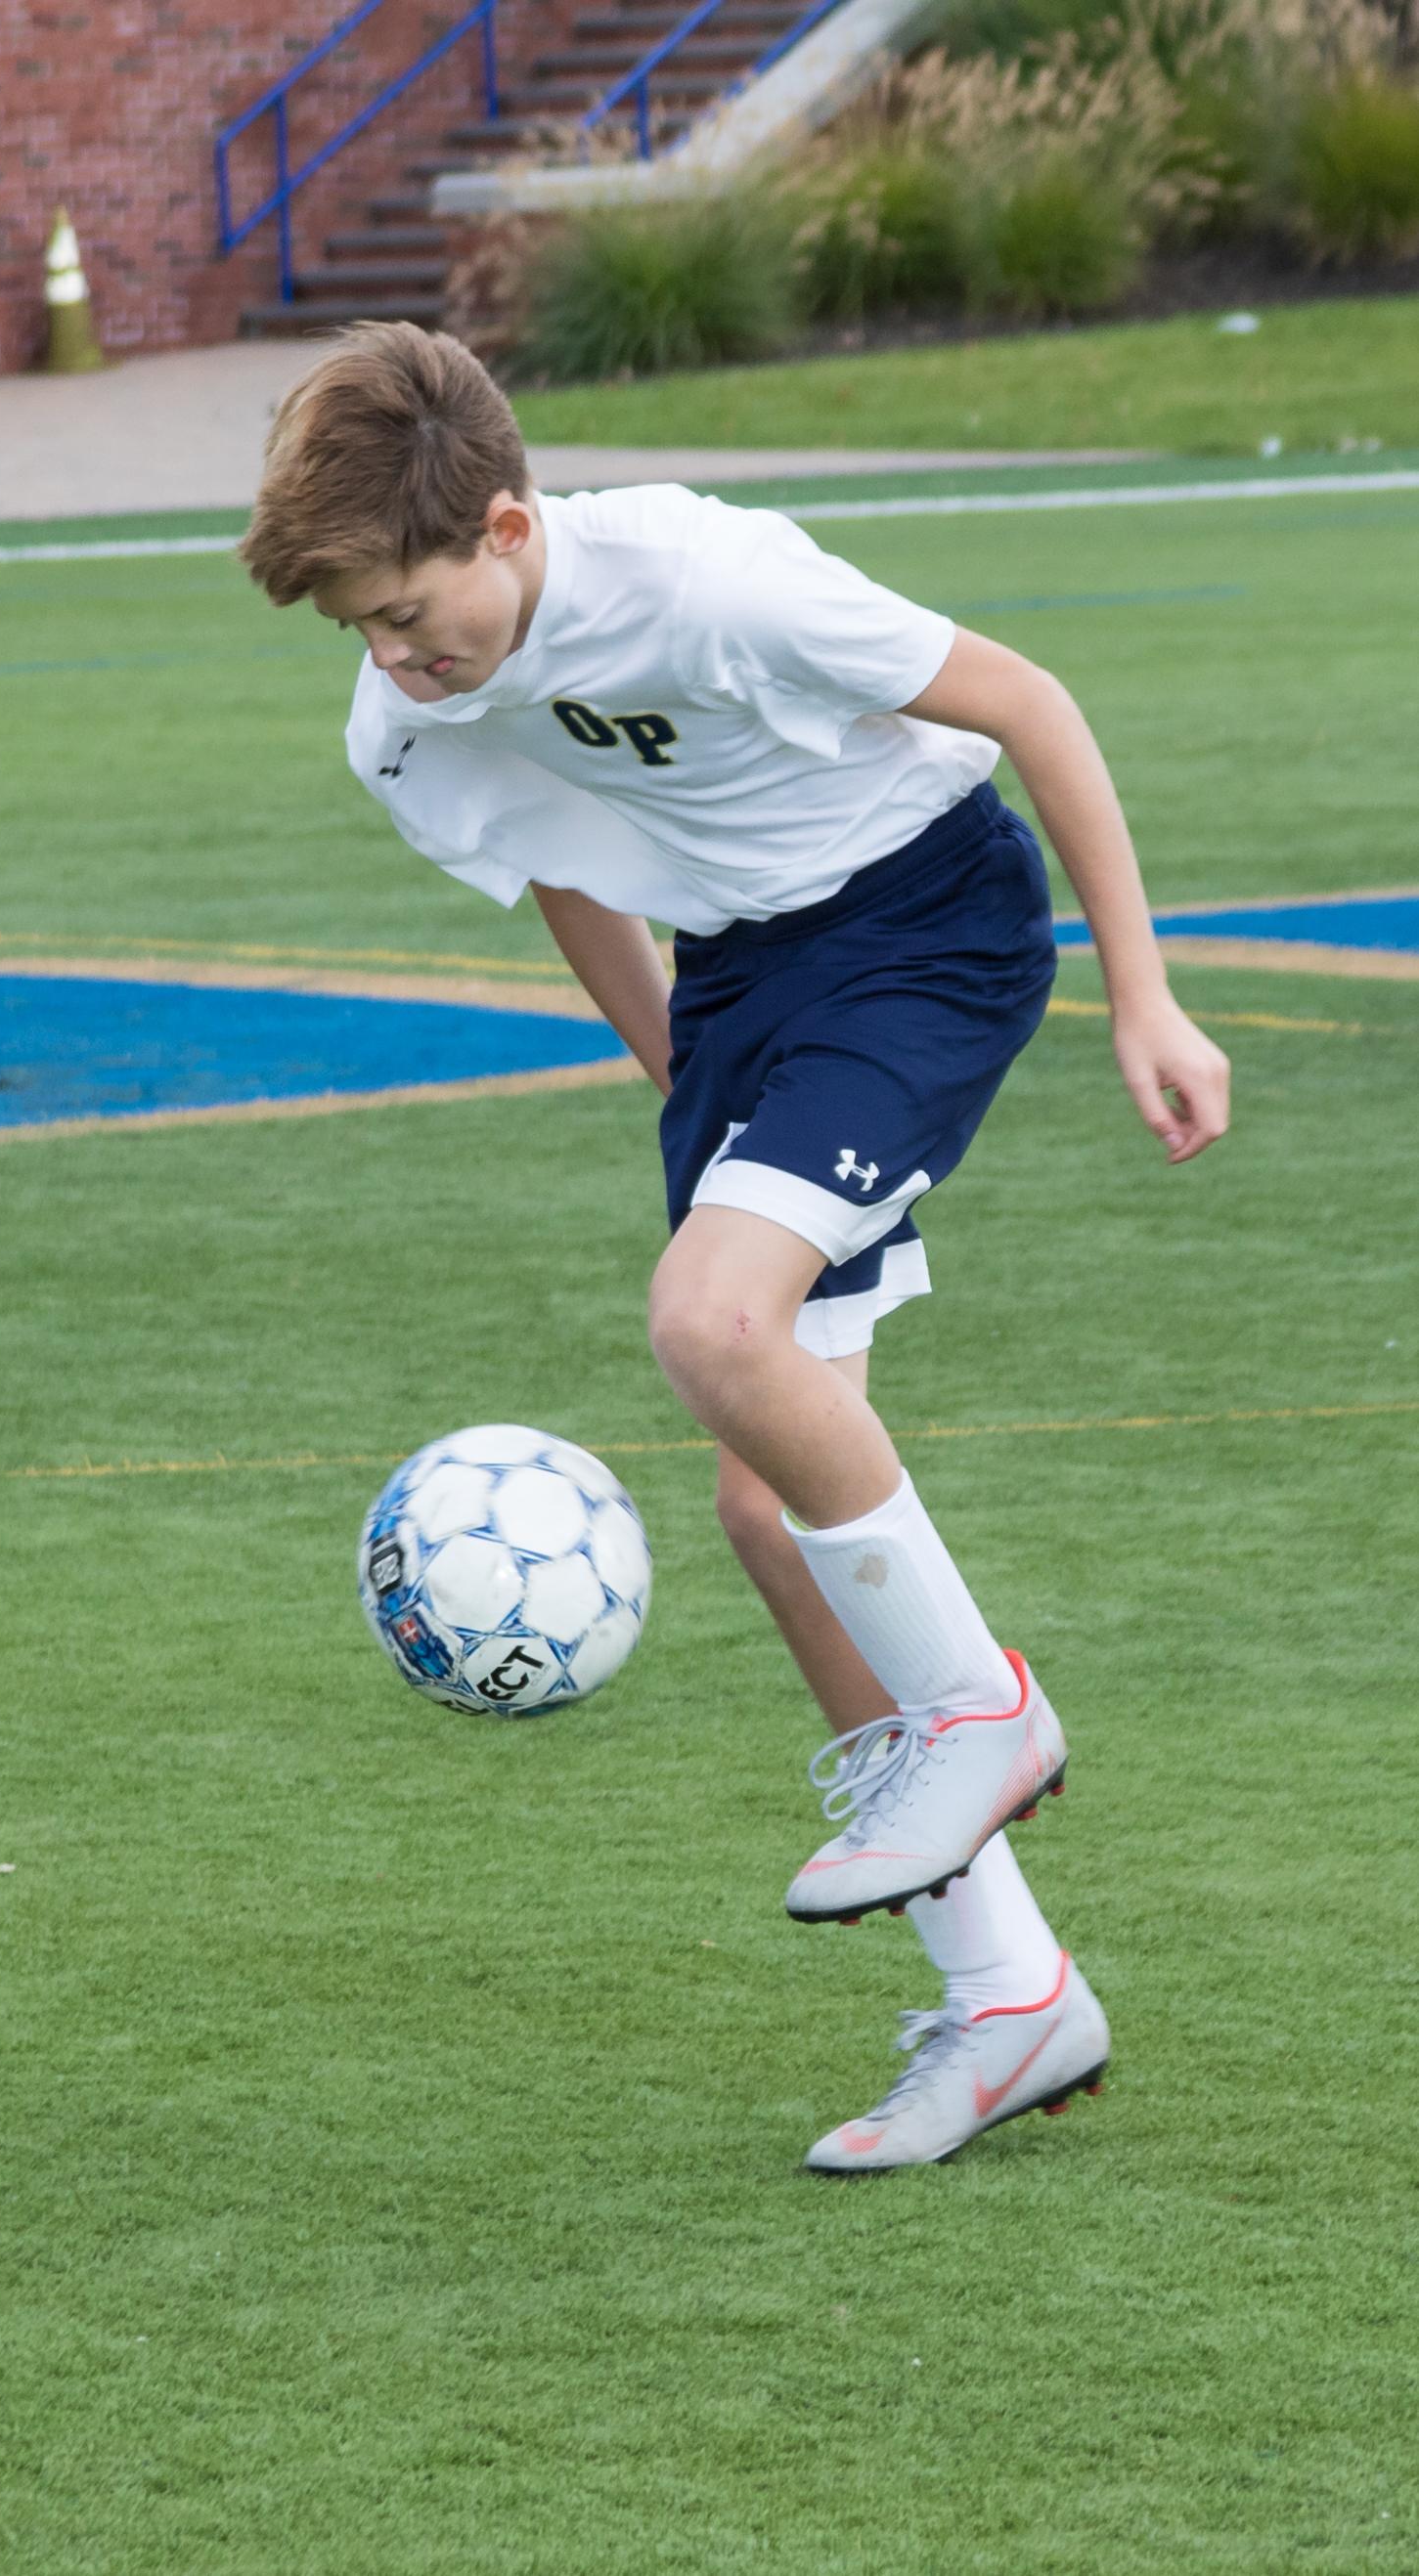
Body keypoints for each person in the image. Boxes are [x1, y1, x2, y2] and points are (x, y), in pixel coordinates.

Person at [240, 322, 1229, 2172]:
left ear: (511, 526)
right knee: (767, 1511)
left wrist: (1143, 1003)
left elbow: (1027, 705)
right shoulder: (409, 717)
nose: (393, 657)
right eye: (356, 628)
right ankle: (1010, 1998)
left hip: (924, 927)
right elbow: (562, 860)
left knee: (709, 1323)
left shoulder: (710, 578)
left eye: (407, 609)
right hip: (748, 991)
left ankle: (983, 1711)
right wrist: (683, 1085)